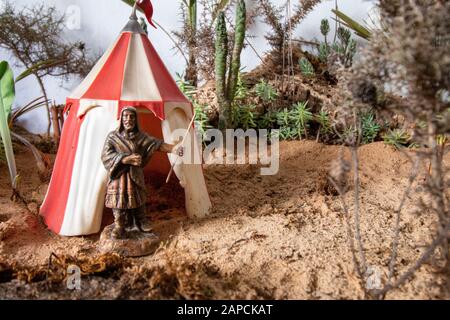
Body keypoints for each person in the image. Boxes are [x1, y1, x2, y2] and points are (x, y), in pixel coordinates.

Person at [101, 107, 183, 239]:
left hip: (135, 175)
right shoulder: (113, 137)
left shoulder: (141, 137)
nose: (129, 120)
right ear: (121, 119)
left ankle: (140, 222)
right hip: (119, 175)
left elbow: (157, 144)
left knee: (137, 198)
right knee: (118, 200)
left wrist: (174, 148)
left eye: (132, 117)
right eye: (126, 116)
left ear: (136, 120)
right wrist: (125, 159)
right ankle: (119, 225)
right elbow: (105, 156)